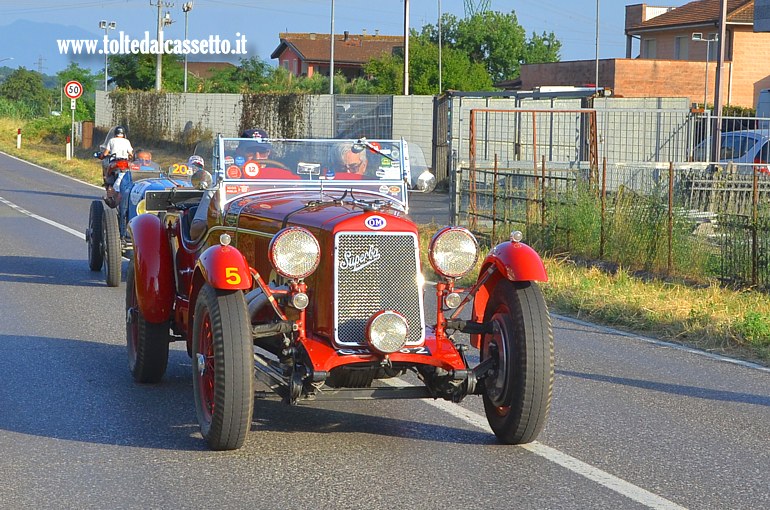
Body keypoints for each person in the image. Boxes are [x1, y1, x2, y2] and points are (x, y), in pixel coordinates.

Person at [101, 126, 134, 207]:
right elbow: (130, 153)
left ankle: (108, 186)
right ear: (123, 134)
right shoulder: (127, 141)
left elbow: (106, 153)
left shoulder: (111, 140)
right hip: (125, 162)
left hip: (115, 162)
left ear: (115, 133)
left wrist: (102, 156)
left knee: (107, 173)